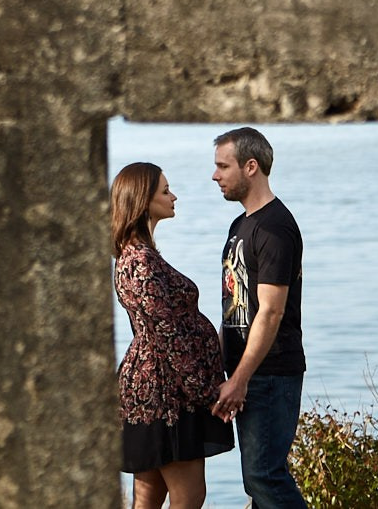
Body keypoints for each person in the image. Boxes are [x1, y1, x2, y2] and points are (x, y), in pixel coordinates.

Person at [112, 161, 235, 509]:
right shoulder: (140, 261)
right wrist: (207, 392)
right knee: (189, 497)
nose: (174, 196)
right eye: (165, 191)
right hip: (165, 395)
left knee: (148, 499)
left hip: (160, 389)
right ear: (143, 201)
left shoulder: (139, 255)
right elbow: (167, 335)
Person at [211, 126, 308, 509]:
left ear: (251, 167)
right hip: (247, 373)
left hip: (270, 373)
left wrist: (240, 379)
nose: (215, 175)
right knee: (257, 481)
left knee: (263, 475)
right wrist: (220, 367)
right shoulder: (242, 225)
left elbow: (270, 311)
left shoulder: (274, 227)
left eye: (223, 166)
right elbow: (234, 306)